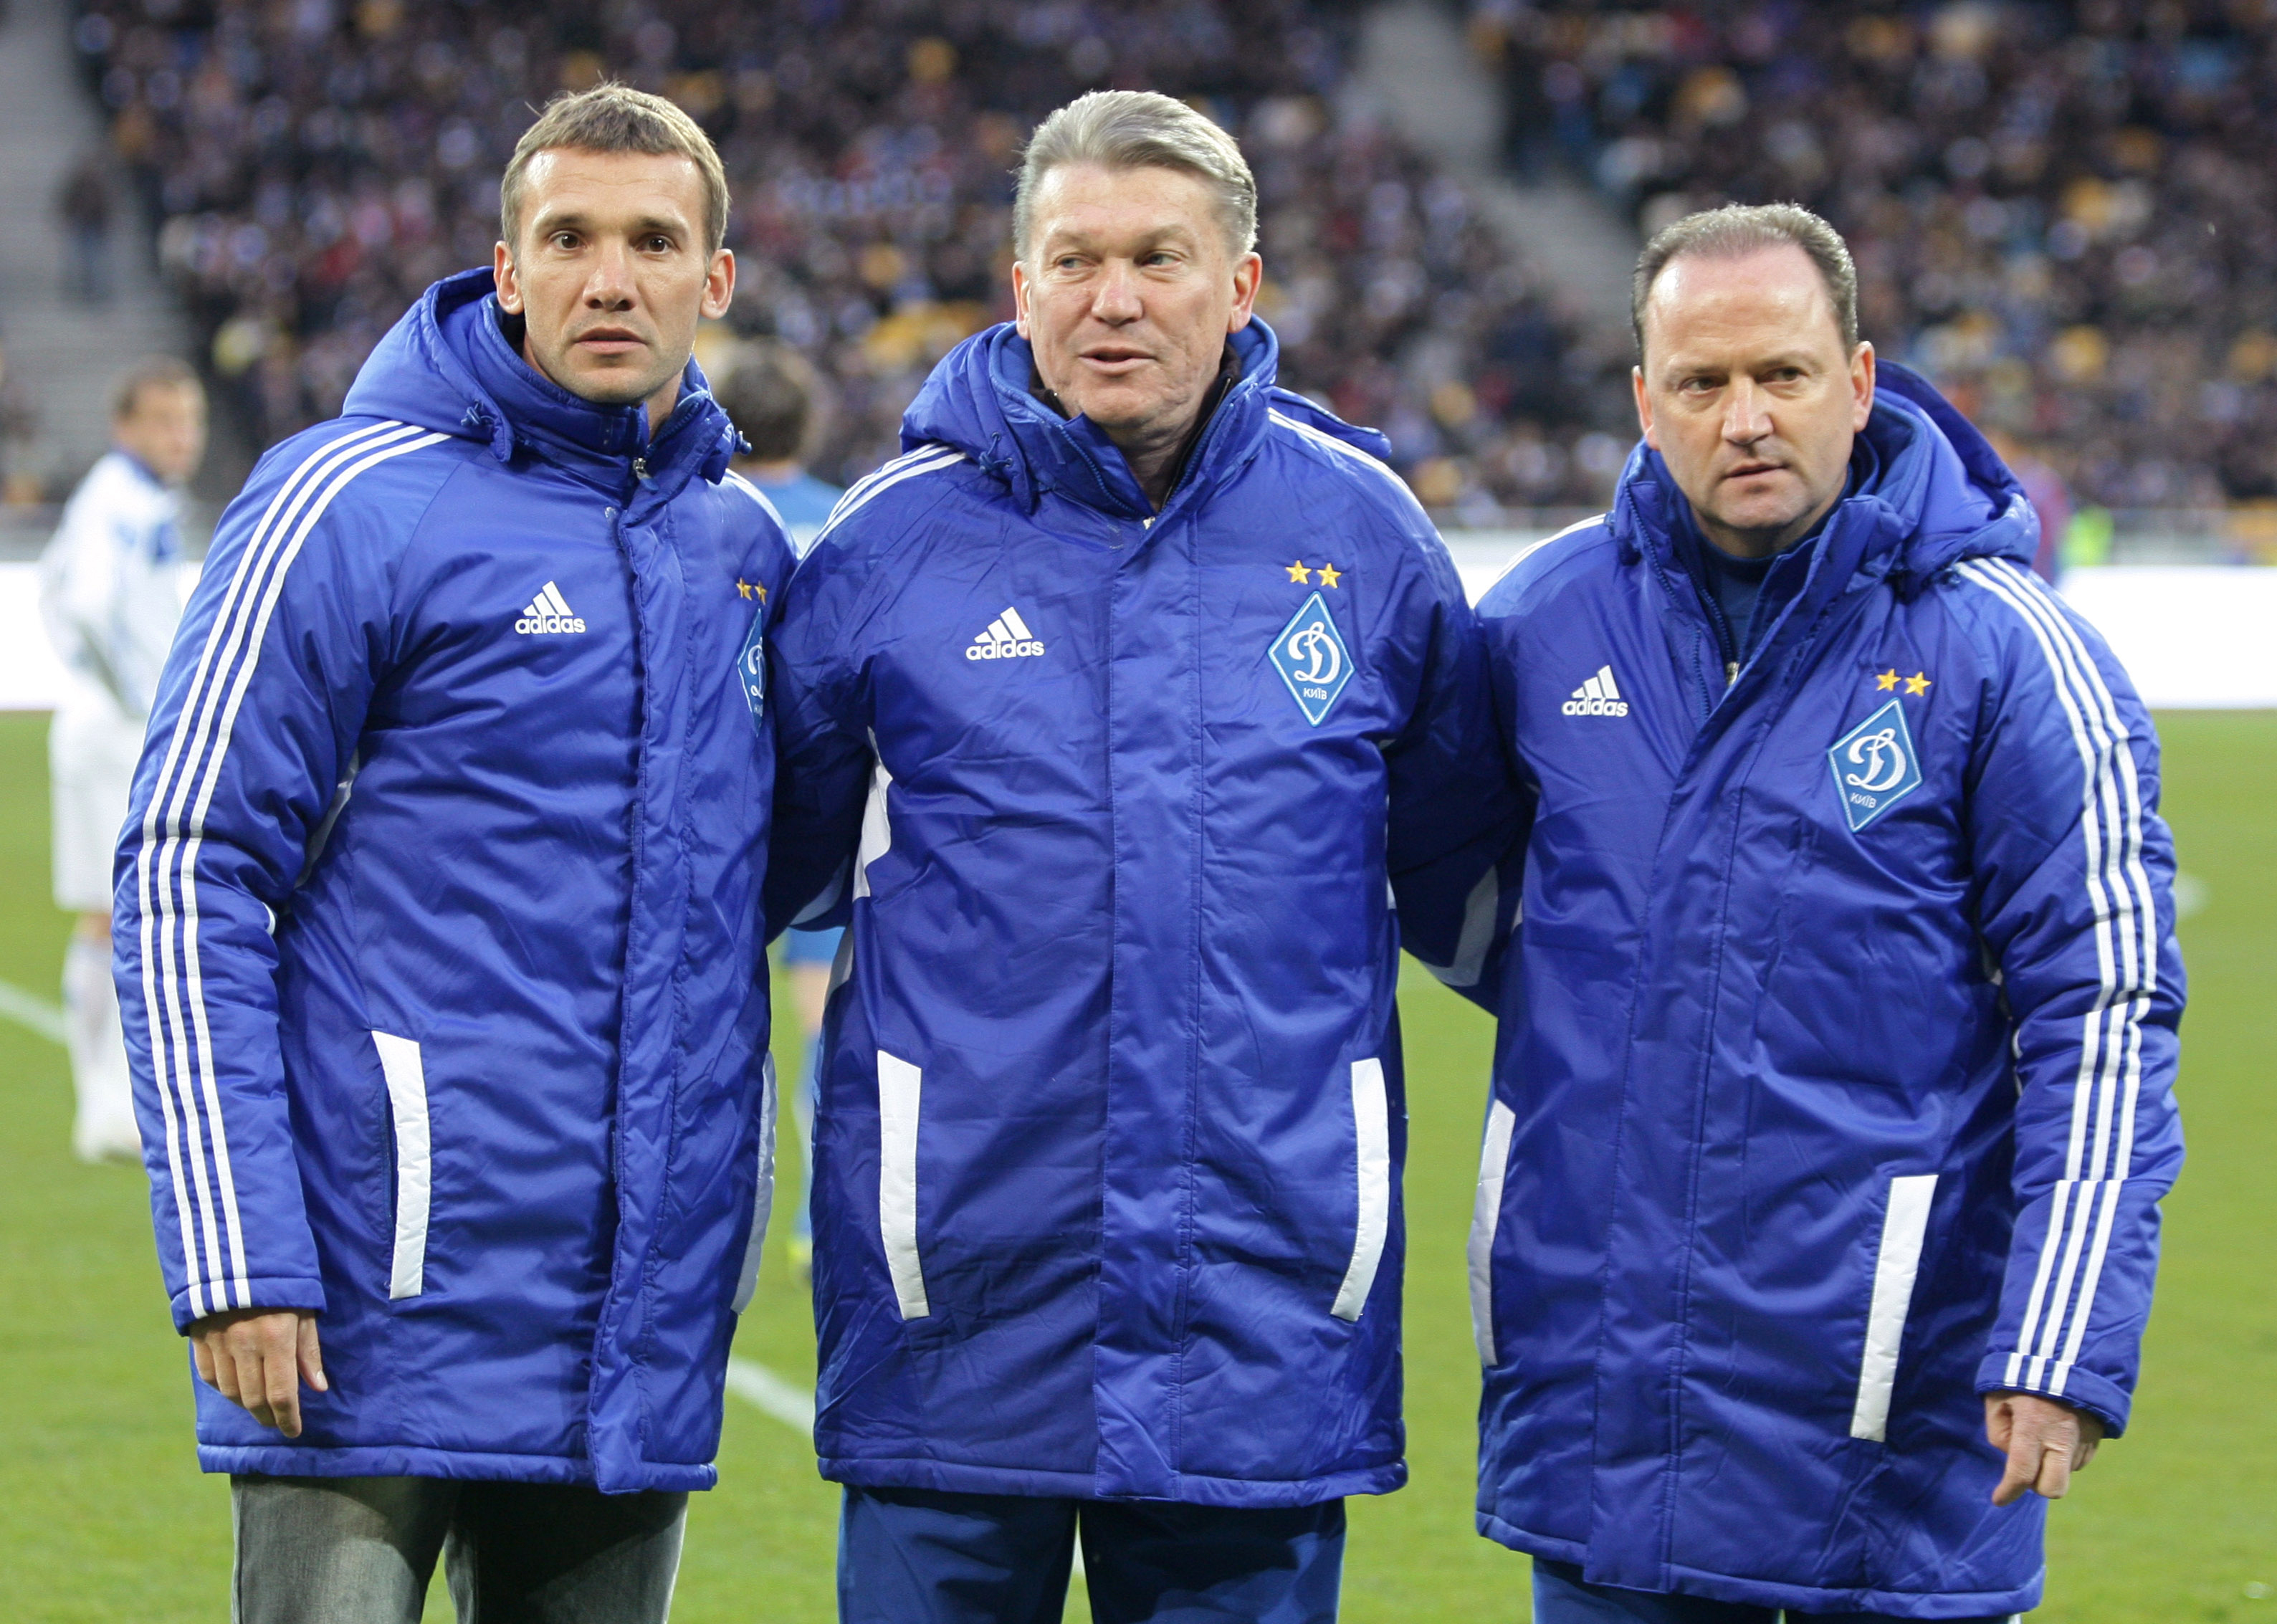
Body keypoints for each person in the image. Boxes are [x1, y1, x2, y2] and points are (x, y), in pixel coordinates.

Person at [764, 90, 1510, 1624]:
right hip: (955, 1315)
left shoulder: (1369, 539)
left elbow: (1473, 899)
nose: (1114, 300)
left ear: (1240, 286)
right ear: (1018, 282)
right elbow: (766, 871)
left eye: (1158, 259)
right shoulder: (883, 545)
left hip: (1261, 1317)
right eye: (1074, 259)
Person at [112, 84, 794, 1621]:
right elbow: (187, 866)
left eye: (651, 240)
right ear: (506, 268)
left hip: (631, 1323)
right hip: (365, 1298)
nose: (607, 278)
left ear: (716, 279)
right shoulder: (349, 496)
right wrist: (236, 1251)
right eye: (568, 237)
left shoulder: (737, 550)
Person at [1460, 204, 2183, 1621]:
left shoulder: (2006, 654)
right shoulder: (1538, 626)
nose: (1744, 417)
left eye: (1781, 375)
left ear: (1857, 381)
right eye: (1701, 382)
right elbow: (1462, 899)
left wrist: (2062, 1336)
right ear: (1641, 402)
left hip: (1888, 1441)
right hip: (1609, 1427)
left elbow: (2101, 1017)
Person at [40, 357, 205, 1162]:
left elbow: (56, 590)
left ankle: (105, 1100)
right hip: (115, 729)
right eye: (167, 422)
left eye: (191, 421)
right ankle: (106, 1104)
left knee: (113, 913)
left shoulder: (126, 497)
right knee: (122, 914)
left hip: (102, 722)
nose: (184, 437)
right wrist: (143, 696)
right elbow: (88, 605)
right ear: (127, 427)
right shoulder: (122, 501)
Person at [719, 338, 844, 1277]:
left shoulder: (706, 517)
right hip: (819, 805)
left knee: (697, 1022)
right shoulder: (846, 520)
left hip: (714, 804)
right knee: (822, 1026)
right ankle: (810, 1217)